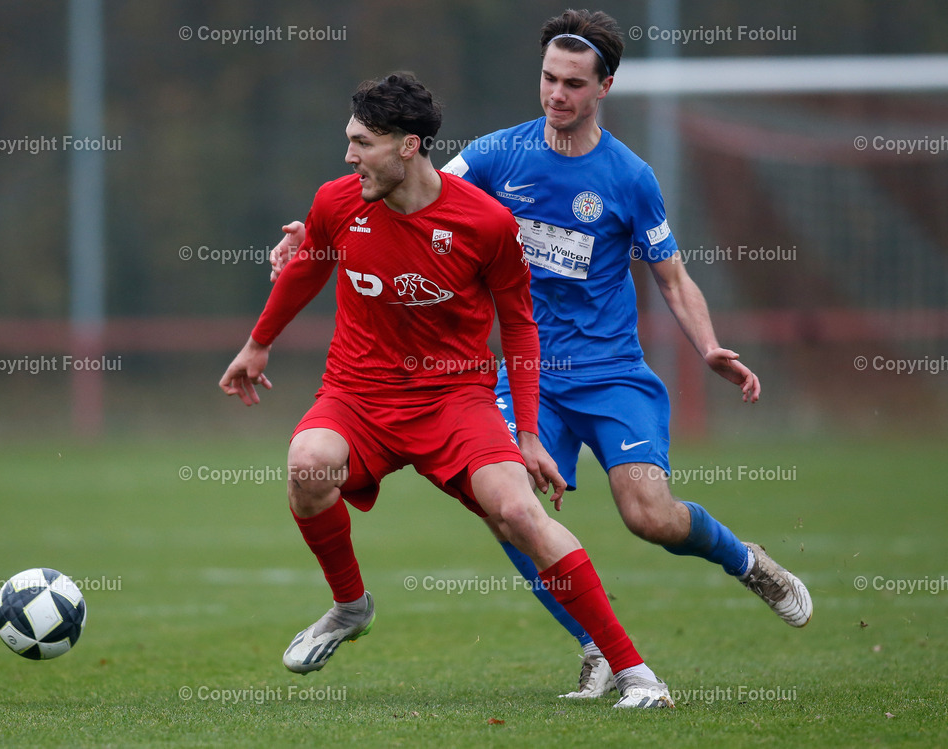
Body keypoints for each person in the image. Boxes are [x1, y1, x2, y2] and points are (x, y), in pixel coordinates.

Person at [269, 11, 813, 700]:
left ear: (604, 88)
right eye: (549, 78)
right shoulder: (496, 155)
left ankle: (745, 560)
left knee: (648, 514)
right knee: (510, 509)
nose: (557, 94)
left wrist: (708, 346)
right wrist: (313, 231)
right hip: (526, 377)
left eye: (574, 84)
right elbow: (398, 187)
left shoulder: (630, 176)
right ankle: (597, 648)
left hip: (610, 372)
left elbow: (672, 276)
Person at [220, 72, 674, 708]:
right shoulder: (336, 203)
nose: (349, 156)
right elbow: (307, 269)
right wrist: (258, 343)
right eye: (349, 141)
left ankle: (635, 673)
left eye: (362, 143)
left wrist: (527, 434)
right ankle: (350, 606)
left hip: (456, 400)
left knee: (519, 513)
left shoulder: (485, 223)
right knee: (308, 464)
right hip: (359, 393)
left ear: (408, 146)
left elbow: (520, 327)